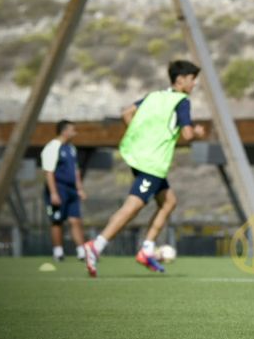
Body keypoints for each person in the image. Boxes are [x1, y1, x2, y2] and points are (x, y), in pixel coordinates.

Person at [83, 60, 205, 277]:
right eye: (192, 79)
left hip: (140, 156)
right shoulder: (181, 101)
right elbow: (187, 135)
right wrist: (198, 132)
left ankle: (147, 250)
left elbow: (126, 113)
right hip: (152, 163)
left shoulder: (155, 96)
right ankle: (97, 245)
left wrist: (142, 136)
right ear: (180, 80)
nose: (195, 84)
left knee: (169, 201)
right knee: (132, 207)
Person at [41, 120, 87, 262]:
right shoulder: (52, 147)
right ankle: (58, 252)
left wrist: (79, 189)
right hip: (58, 188)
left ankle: (81, 252)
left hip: (71, 189)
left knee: (75, 220)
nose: (75, 133)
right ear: (64, 131)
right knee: (57, 220)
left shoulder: (71, 148)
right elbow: (49, 172)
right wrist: (54, 193)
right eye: (73, 130)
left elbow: (76, 170)